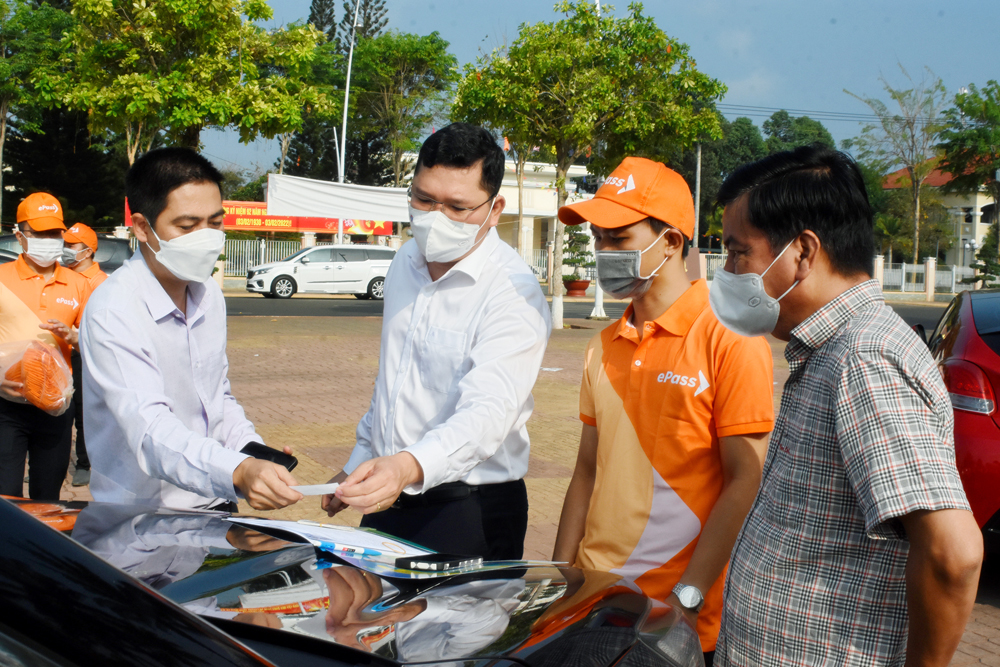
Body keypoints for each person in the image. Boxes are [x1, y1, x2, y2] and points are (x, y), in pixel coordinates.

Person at [712, 145, 982, 667]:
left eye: (738, 251)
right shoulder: (832, 349)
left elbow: (954, 554)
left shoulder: (864, 356)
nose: (727, 270)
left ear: (803, 251)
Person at [551, 157, 775, 664]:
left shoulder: (730, 338)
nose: (604, 252)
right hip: (592, 602)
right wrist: (562, 575)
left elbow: (746, 479)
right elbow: (586, 470)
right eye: (599, 239)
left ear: (671, 242)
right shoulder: (603, 345)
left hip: (671, 616)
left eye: (620, 238)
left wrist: (688, 600)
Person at [321, 122, 551, 560]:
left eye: (457, 207)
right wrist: (357, 463)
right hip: (391, 494)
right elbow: (393, 382)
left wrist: (405, 466)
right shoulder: (405, 262)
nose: (435, 218)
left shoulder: (512, 291)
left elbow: (487, 413)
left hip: (469, 511)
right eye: (424, 199)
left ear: (494, 207)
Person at [80, 147, 302, 511]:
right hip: (144, 518)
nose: (207, 237)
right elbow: (150, 432)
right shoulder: (114, 310)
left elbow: (216, 398)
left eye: (215, 223)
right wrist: (238, 470)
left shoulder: (208, 293)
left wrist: (251, 452)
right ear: (141, 227)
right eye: (187, 226)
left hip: (215, 500)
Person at [0, 192, 91, 500]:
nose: (49, 239)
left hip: (55, 407)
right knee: (6, 501)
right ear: (19, 235)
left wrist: (75, 338)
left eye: (55, 232)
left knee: (47, 501)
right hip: (6, 406)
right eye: (39, 233)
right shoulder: (1, 277)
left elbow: (99, 340)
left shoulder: (78, 284)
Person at [61, 222, 108, 487]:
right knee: (57, 409)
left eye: (71, 246)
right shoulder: (64, 276)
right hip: (60, 352)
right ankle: (47, 462)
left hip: (84, 353)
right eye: (65, 244)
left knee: (82, 410)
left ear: (88, 251)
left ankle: (84, 463)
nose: (65, 250)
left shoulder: (100, 283)